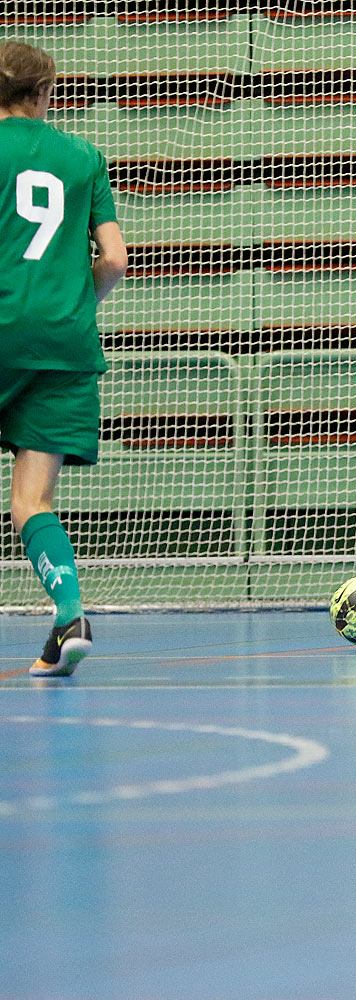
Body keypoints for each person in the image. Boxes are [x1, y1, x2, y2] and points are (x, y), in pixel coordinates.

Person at [1, 41, 128, 678]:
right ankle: (68, 613)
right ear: (48, 91)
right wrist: (80, 306)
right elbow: (113, 260)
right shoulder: (83, 156)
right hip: (65, 343)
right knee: (34, 500)